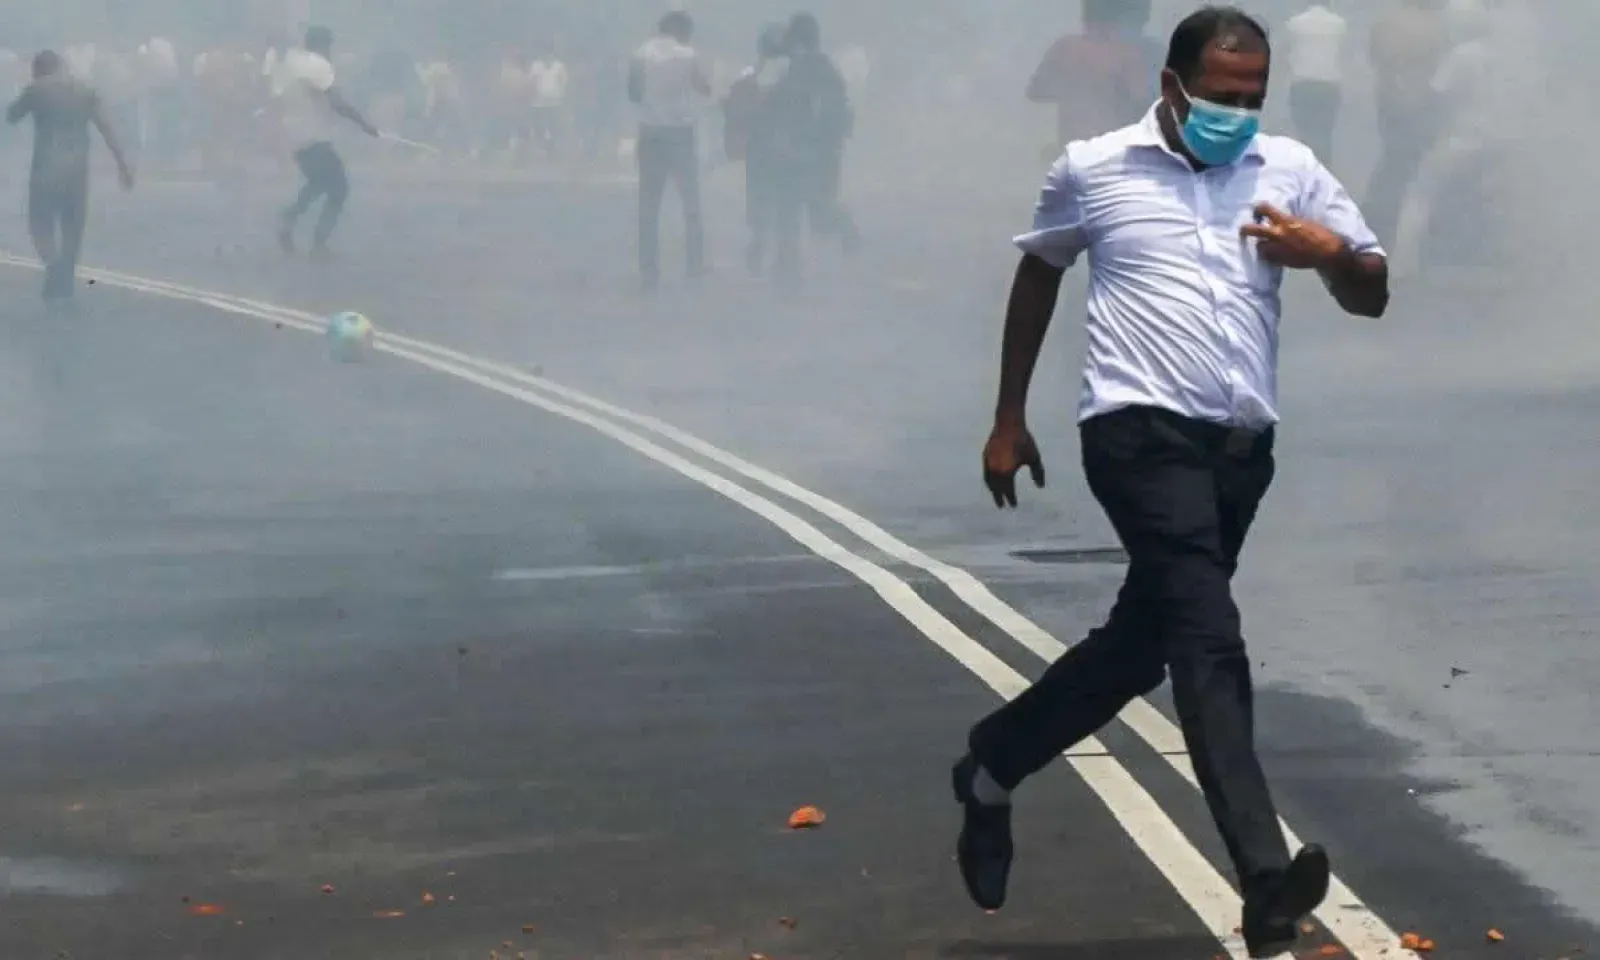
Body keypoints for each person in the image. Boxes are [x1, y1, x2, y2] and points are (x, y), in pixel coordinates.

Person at [953, 8, 1389, 959]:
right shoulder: (1095, 167)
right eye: (1222, 95)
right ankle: (1264, 882)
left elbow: (1372, 292)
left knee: (1140, 649)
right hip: (1134, 434)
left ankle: (992, 765)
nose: (1239, 112)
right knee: (1207, 638)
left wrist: (1326, 256)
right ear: (1172, 86)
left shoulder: (1291, 169)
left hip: (1240, 449)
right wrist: (1008, 417)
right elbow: (1040, 272)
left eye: (1253, 96)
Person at [6, 50, 134, 304]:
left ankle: (53, 266)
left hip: (45, 168)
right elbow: (106, 127)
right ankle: (65, 275)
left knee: (40, 222)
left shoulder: (37, 89)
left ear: (38, 70)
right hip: (77, 170)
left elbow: (11, 116)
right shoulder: (85, 91)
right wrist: (123, 164)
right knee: (73, 223)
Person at [765, 12, 859, 287]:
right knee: (798, 210)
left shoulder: (808, 68)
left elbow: (792, 106)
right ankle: (787, 271)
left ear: (797, 40)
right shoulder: (816, 67)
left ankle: (790, 270)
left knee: (803, 212)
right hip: (812, 151)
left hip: (807, 151)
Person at [274, 26, 379, 257]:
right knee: (339, 188)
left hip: (294, 136)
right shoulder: (319, 65)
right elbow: (337, 103)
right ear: (325, 45)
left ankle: (290, 219)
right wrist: (364, 124)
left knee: (319, 182)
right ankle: (318, 241)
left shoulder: (292, 63)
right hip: (314, 136)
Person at [627, 10, 710, 290]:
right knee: (691, 204)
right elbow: (703, 87)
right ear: (680, 30)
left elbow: (633, 94)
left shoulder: (641, 53)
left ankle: (649, 271)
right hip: (680, 133)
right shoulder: (688, 54)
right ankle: (694, 268)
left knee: (649, 207)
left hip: (651, 132)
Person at [1365, 0, 1450, 246]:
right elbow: (1438, 62)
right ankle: (1395, 226)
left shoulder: (1386, 19)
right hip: (1418, 98)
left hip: (1387, 94)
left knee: (1392, 160)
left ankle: (1378, 221)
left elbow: (1374, 55)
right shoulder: (1433, 25)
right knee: (1409, 164)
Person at [1027, 0, 1154, 148]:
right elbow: (1145, 104)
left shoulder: (1066, 48)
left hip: (1087, 149)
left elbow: (1036, 90)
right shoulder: (1137, 54)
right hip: (1108, 150)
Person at [723, 24, 788, 276]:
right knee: (784, 202)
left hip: (758, 148)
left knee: (760, 200)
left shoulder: (748, 74)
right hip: (785, 147)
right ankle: (784, 258)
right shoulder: (791, 74)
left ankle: (759, 244)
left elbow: (734, 110)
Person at [1283, 1, 1347, 164]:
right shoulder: (1339, 24)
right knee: (1325, 133)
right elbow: (1344, 54)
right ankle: (1323, 167)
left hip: (1302, 83)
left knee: (1304, 133)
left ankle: (1303, 168)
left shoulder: (1294, 23)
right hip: (1329, 84)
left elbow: (1286, 53)